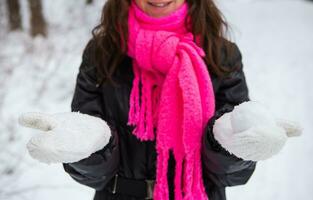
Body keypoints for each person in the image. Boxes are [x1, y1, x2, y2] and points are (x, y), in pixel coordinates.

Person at [18, 0, 302, 200]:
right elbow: (96, 175)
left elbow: (231, 176)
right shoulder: (103, 52)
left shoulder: (220, 54)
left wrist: (234, 143)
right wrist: (87, 146)